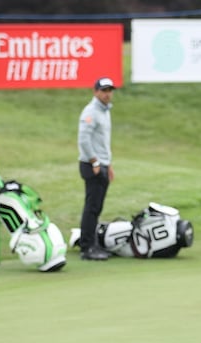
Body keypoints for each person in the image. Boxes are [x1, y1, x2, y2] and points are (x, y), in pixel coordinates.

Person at [77, 77, 117, 261]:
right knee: (92, 207)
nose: (107, 94)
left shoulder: (105, 111)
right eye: (104, 90)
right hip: (91, 165)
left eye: (110, 90)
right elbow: (83, 140)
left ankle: (92, 243)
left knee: (97, 207)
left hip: (101, 164)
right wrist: (95, 162)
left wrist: (108, 164)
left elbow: (102, 142)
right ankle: (87, 247)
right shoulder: (91, 112)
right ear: (96, 92)